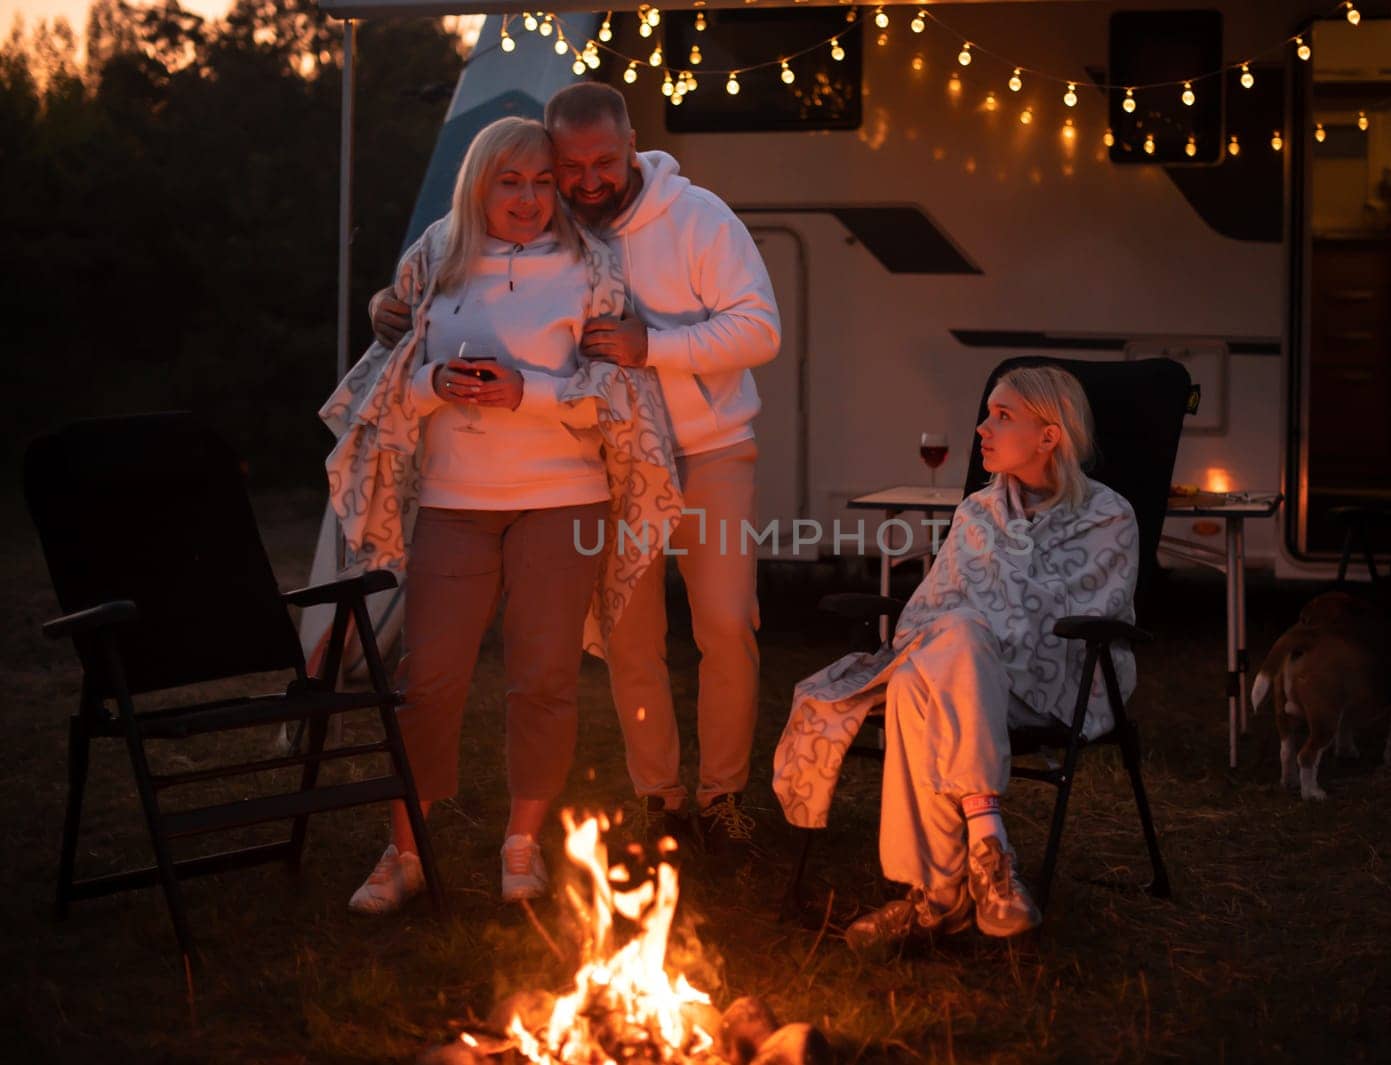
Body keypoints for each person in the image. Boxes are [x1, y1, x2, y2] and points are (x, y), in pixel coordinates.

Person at [372, 83, 781, 855]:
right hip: (615, 458)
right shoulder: (556, 228)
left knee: (724, 622)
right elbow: (461, 265)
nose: (588, 179)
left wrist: (650, 344)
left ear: (632, 146)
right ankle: (659, 794)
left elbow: (760, 329)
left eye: (604, 161)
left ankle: (722, 793)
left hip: (708, 447)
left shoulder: (697, 218)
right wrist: (385, 307)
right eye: (570, 164)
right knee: (630, 634)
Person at [329, 117, 678, 914]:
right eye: (508, 181)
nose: (527, 199)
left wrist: (530, 393)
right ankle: (404, 848)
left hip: (563, 497)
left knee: (544, 676)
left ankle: (522, 841)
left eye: (541, 181)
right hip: (456, 501)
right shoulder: (434, 260)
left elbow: (620, 396)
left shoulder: (590, 265)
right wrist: (434, 387)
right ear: (477, 184)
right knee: (428, 679)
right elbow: (392, 381)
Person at [771, 366, 1139, 953]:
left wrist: (981, 618)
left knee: (943, 657)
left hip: (1056, 680)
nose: (982, 428)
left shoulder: (1108, 516)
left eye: (1002, 416)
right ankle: (990, 857)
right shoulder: (978, 513)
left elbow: (1091, 611)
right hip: (963, 680)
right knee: (943, 657)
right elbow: (927, 614)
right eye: (988, 413)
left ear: (1049, 436)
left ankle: (935, 901)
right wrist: (973, 627)